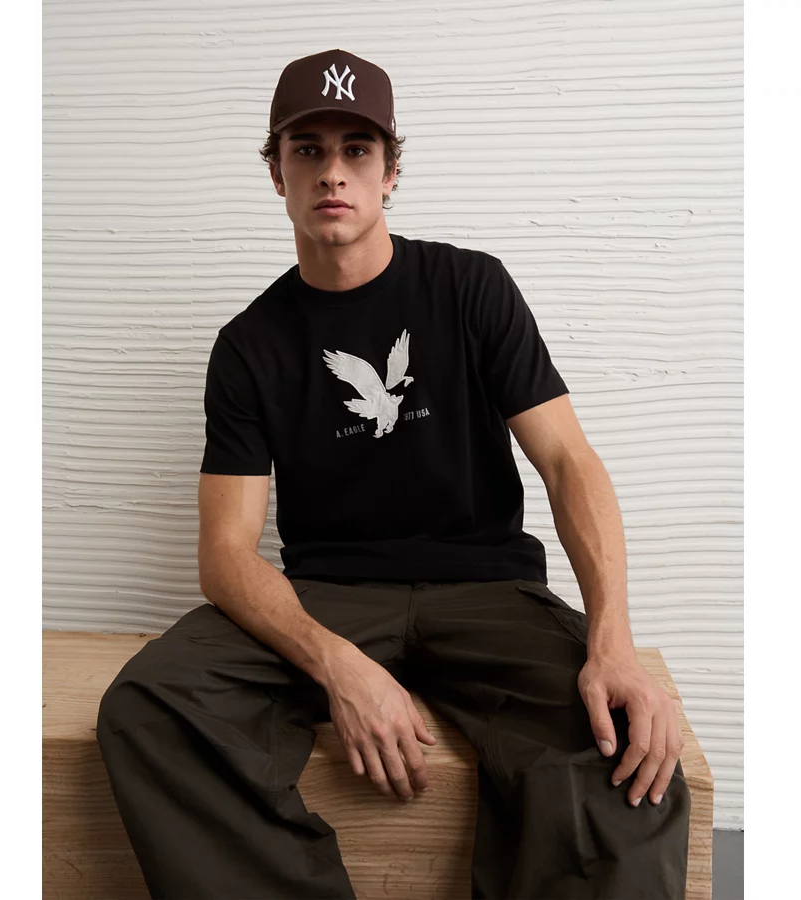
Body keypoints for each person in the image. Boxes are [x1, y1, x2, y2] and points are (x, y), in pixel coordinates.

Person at [97, 48, 691, 899]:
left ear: (391, 171)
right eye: (307, 150)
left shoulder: (471, 287)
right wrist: (338, 664)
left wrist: (613, 644)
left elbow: (568, 462)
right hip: (330, 594)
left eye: (357, 149)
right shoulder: (250, 346)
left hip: (487, 589)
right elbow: (225, 554)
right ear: (277, 174)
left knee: (623, 746)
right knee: (153, 707)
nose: (332, 172)